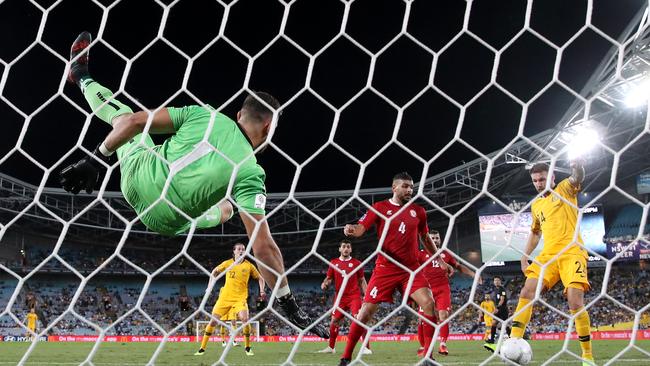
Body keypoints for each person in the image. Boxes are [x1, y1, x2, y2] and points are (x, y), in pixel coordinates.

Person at [60, 31, 328, 339]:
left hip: (136, 177)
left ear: (239, 114)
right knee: (227, 210)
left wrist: (95, 160)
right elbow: (264, 247)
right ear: (268, 129)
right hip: (165, 220)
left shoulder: (203, 115)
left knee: (121, 115)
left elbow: (134, 122)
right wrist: (290, 306)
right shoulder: (251, 172)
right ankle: (207, 212)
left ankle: (79, 75)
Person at [338, 172, 439, 366]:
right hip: (385, 269)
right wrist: (351, 229)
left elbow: (425, 239)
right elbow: (361, 228)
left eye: (411, 186)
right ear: (394, 188)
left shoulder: (418, 211)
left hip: (411, 270)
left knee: (428, 303)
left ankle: (428, 357)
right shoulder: (380, 207)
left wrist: (439, 261)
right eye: (405, 186)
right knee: (365, 313)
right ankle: (346, 357)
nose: (410, 189)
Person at [508, 162, 595, 366]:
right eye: (535, 180)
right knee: (526, 291)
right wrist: (525, 255)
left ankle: (587, 356)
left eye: (543, 179)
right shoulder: (537, 205)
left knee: (575, 300)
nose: (539, 183)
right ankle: (513, 340)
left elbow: (578, 177)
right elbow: (536, 233)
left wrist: (578, 165)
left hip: (572, 251)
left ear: (552, 177)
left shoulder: (564, 188)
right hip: (548, 256)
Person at [416, 230, 480, 356]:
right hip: (426, 290)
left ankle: (443, 345)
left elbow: (459, 266)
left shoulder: (446, 254)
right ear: (427, 240)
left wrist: (474, 274)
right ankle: (424, 347)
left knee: (443, 316)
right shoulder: (421, 254)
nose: (434, 240)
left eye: (436, 238)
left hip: (442, 289)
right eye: (432, 238)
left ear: (440, 239)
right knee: (421, 319)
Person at [195, 243, 265, 356]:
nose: (241, 250)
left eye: (243, 249)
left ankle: (247, 348)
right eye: (239, 249)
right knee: (213, 321)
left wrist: (262, 291)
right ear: (234, 251)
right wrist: (209, 286)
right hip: (225, 298)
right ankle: (202, 349)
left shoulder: (249, 266)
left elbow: (261, 279)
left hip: (240, 299)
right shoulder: (227, 263)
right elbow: (214, 272)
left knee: (245, 319)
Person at [317, 239, 370, 354]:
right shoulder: (333, 263)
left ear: (351, 249)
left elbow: (362, 281)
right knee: (334, 321)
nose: (346, 249)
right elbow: (329, 278)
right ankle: (331, 348)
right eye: (344, 246)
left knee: (359, 319)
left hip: (354, 296)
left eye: (348, 247)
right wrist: (324, 284)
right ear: (340, 249)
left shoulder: (357, 263)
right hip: (340, 297)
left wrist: (367, 296)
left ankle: (366, 348)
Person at [483, 276, 511, 351]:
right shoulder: (495, 289)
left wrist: (497, 308)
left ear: (500, 281)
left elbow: (502, 300)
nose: (496, 282)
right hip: (498, 309)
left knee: (506, 324)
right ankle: (492, 339)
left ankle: (511, 338)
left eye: (498, 280)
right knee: (494, 323)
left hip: (503, 309)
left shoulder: (502, 289)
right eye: (495, 280)